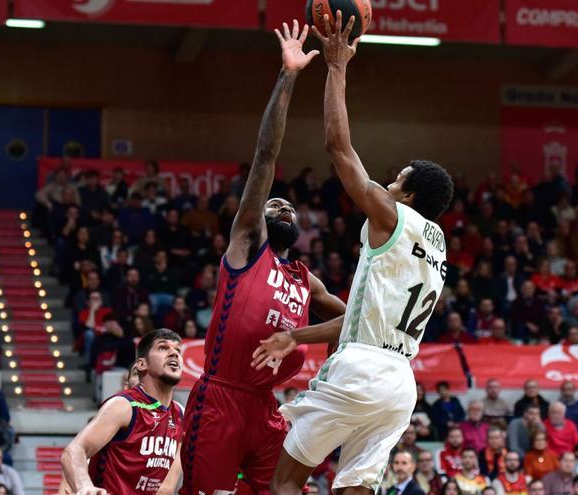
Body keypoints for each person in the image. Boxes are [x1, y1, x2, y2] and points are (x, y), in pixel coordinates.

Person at [250, 16, 455, 495]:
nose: (388, 181)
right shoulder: (438, 245)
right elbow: (357, 318)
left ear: (406, 196)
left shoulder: (391, 217)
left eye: (397, 178)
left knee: (281, 480)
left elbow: (338, 148)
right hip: (401, 382)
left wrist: (337, 66)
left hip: (362, 368)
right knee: (354, 489)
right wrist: (295, 337)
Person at [178, 21, 346, 495]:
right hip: (219, 398)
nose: (283, 207)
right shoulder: (248, 244)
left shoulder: (306, 281)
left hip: (267, 406)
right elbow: (265, 157)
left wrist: (331, 369)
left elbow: (352, 320)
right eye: (275, 205)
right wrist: (288, 77)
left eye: (289, 208)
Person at [61, 329, 184, 494]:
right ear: (141, 364)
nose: (173, 354)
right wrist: (84, 486)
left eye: (178, 350)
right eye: (163, 348)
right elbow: (73, 451)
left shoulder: (179, 414)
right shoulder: (125, 406)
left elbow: (167, 489)